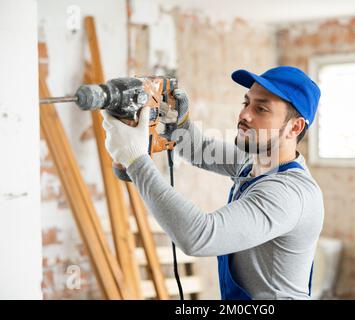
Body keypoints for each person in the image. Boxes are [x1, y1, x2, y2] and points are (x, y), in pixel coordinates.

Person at [101, 66, 324, 300]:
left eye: (261, 108)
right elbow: (199, 149)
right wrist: (178, 124)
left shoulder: (288, 194)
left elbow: (200, 236)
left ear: (295, 127)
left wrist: (136, 159)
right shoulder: (256, 163)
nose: (245, 115)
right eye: (246, 103)